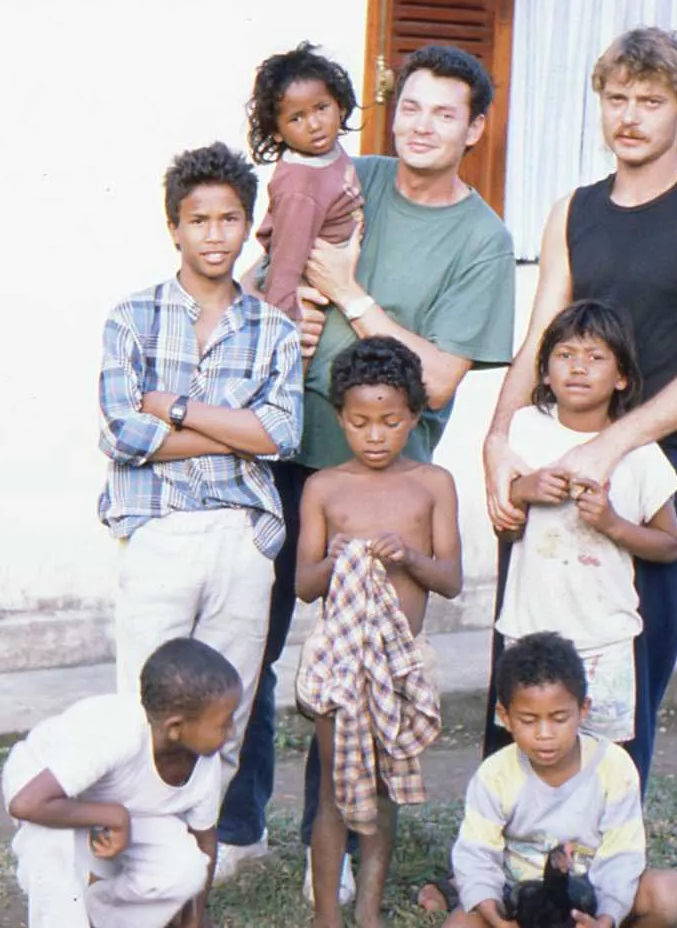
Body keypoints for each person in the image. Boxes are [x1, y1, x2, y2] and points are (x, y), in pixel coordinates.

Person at [215, 45, 516, 903]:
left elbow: (443, 379)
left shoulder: (483, 240)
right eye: (410, 107)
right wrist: (286, 313)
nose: (422, 126)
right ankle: (236, 825)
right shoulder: (352, 175)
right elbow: (266, 255)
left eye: (444, 113)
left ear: (476, 127)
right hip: (283, 449)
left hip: (381, 479)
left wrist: (350, 298)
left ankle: (337, 844)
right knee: (254, 639)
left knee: (353, 669)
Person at [482, 27, 677, 786]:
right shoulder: (573, 208)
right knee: (527, 677)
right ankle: (511, 866)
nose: (630, 116)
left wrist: (611, 447)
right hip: (550, 470)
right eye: (616, 98)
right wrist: (499, 441)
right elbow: (539, 333)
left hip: (648, 477)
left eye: (652, 101)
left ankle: (606, 869)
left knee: (625, 689)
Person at [98, 141, 304, 809]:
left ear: (248, 225)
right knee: (144, 701)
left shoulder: (272, 329)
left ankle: (196, 863)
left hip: (240, 536)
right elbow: (121, 433)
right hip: (159, 528)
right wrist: (227, 432)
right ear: (174, 228)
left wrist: (178, 410)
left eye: (230, 219)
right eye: (199, 220)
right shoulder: (132, 318)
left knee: (225, 711)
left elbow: (280, 435)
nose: (215, 235)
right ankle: (134, 850)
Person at [293, 337, 461, 928]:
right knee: (334, 795)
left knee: (386, 788)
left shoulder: (433, 483)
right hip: (340, 659)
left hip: (400, 661)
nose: (375, 435)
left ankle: (367, 910)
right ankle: (326, 918)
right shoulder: (323, 488)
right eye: (360, 422)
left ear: (414, 415)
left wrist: (411, 557)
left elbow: (450, 579)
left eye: (390, 421)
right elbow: (305, 585)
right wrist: (334, 559)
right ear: (339, 417)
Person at [494, 299, 677, 749]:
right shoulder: (523, 429)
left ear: (622, 378)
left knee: (601, 762)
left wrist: (611, 523)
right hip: (530, 631)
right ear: (544, 372)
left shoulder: (637, 448)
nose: (578, 368)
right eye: (565, 355)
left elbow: (669, 543)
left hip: (604, 638)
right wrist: (524, 491)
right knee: (531, 755)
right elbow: (505, 529)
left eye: (595, 357)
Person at [439, 631, 677, 928]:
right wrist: (496, 918)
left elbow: (622, 857)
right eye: (529, 720)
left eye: (559, 718)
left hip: (593, 898)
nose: (545, 733)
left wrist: (606, 919)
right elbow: (476, 855)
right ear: (505, 717)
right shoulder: (494, 774)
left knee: (669, 894)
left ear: (583, 710)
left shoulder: (614, 767)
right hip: (518, 899)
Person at [2, 637, 243, 928]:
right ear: (176, 728)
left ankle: (98, 915)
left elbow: (205, 839)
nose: (232, 731)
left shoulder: (204, 762)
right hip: (44, 787)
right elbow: (26, 804)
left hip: (111, 802)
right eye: (224, 723)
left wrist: (193, 921)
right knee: (54, 856)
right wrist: (113, 816)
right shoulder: (118, 734)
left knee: (185, 868)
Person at [246, 42, 365, 322]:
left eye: (321, 108)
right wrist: (285, 324)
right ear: (276, 131)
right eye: (296, 118)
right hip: (300, 285)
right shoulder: (300, 186)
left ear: (340, 105)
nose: (314, 124)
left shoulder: (324, 151)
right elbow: (286, 263)